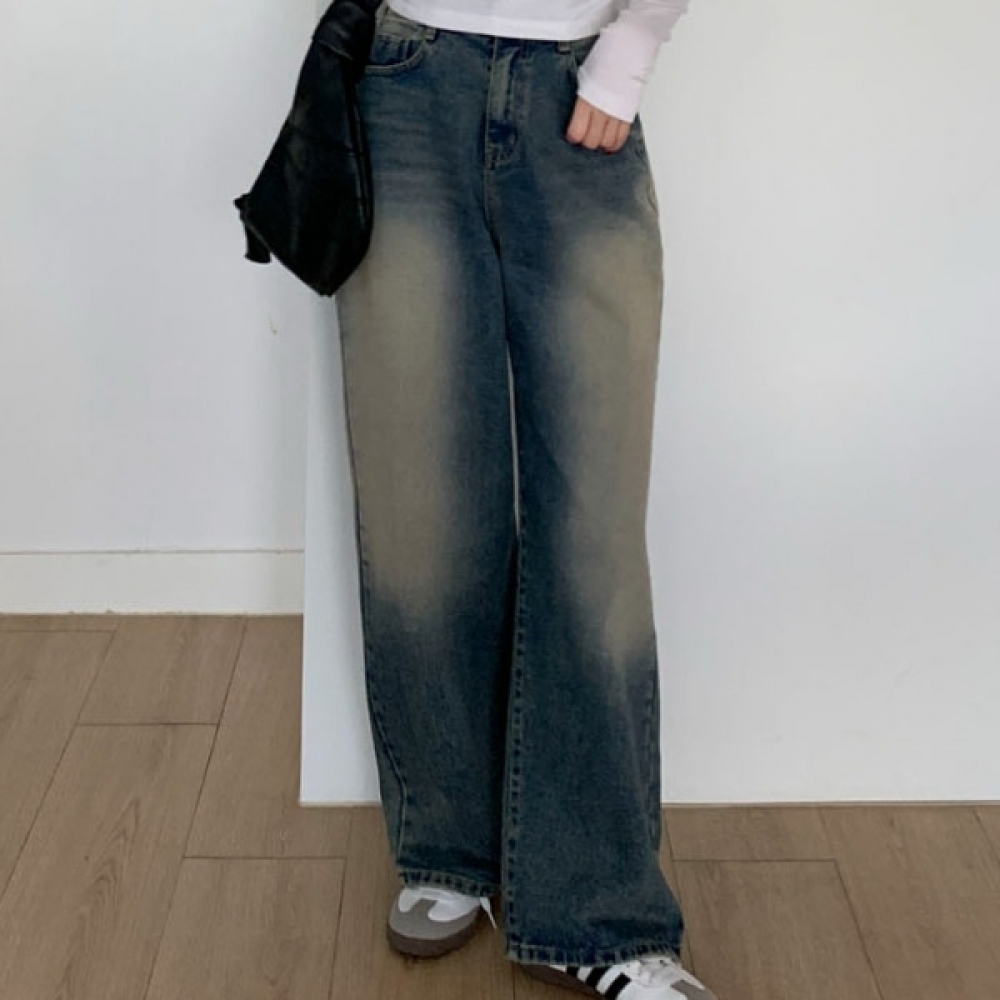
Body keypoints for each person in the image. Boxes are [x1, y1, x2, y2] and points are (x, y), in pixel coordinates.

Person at [334, 0, 719, 996]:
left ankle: (599, 914)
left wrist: (631, 46)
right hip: (406, 78)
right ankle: (448, 847)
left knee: (592, 532)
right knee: (420, 506)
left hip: (577, 84)